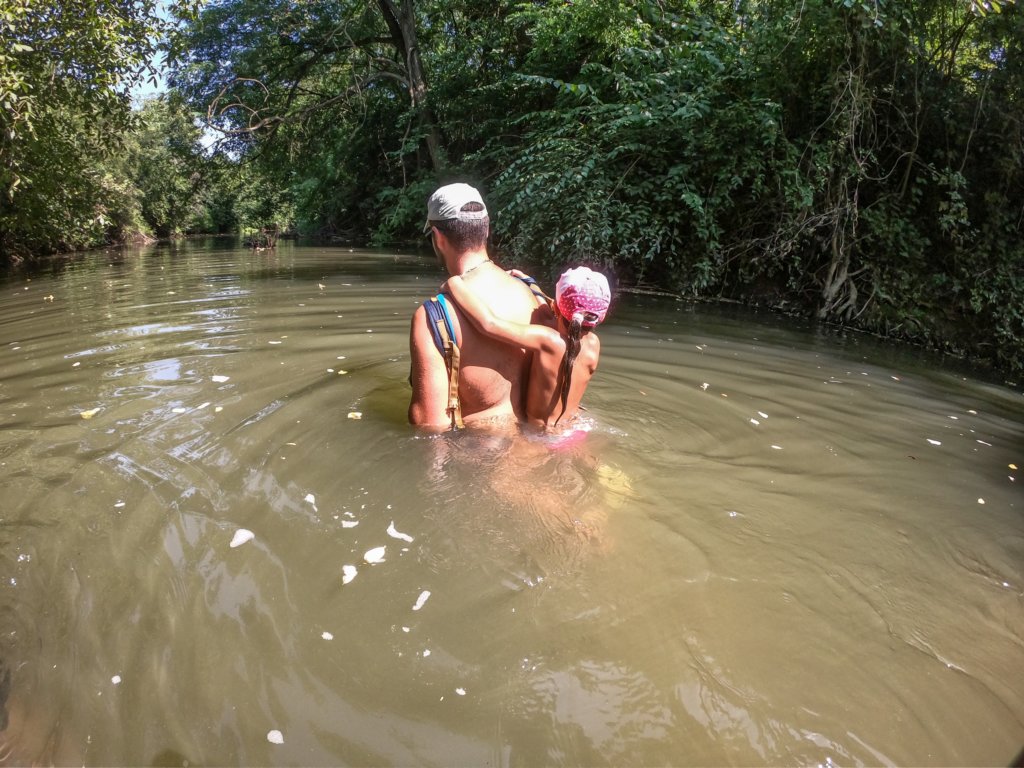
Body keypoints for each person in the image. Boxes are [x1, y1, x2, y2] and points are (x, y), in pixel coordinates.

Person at [408, 183, 541, 429]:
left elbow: (429, 426)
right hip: (542, 441)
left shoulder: (435, 316)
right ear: (486, 229)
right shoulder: (534, 294)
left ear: (438, 237)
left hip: (481, 449)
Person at [443, 266, 611, 432]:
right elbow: (549, 311)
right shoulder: (594, 344)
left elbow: (489, 324)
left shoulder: (547, 340)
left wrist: (454, 284)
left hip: (542, 436)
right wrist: (528, 281)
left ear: (556, 308)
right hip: (574, 430)